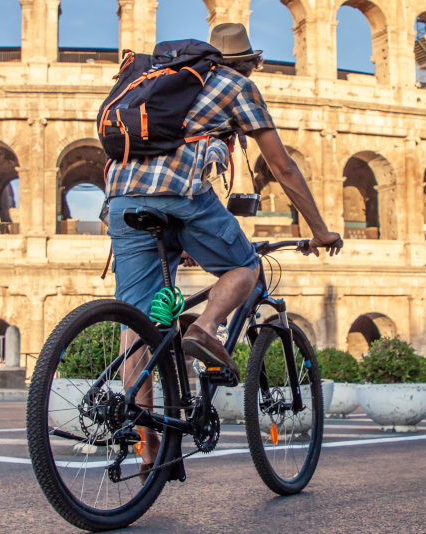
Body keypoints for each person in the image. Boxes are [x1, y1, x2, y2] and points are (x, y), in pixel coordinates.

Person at [105, 23, 342, 474]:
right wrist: (321, 230)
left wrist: (180, 238)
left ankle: (150, 442)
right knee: (244, 267)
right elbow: (282, 166)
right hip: (182, 195)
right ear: (248, 62)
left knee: (136, 322)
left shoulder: (154, 80)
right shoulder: (236, 85)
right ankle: (208, 328)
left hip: (121, 200)